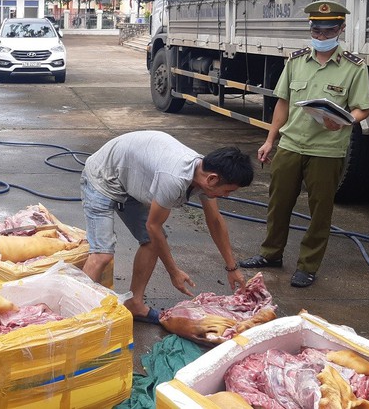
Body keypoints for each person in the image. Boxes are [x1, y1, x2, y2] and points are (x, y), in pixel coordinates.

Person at [239, 0, 369, 288]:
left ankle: (308, 265)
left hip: (327, 150)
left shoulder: (354, 67)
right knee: (278, 204)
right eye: (316, 30)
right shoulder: (296, 61)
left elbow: (363, 109)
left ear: (341, 29)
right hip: (291, 145)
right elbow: (283, 103)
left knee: (320, 212)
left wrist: (346, 120)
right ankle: (271, 254)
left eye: (328, 31)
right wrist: (270, 140)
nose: (321, 36)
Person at [80, 131, 254, 323]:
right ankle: (73, 320)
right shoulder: (174, 178)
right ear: (212, 179)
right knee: (102, 255)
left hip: (130, 178)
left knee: (152, 242)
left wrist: (232, 267)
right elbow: (153, 226)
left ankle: (135, 304)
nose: (227, 196)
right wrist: (174, 272)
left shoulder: (205, 172)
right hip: (103, 176)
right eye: (228, 191)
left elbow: (214, 220)